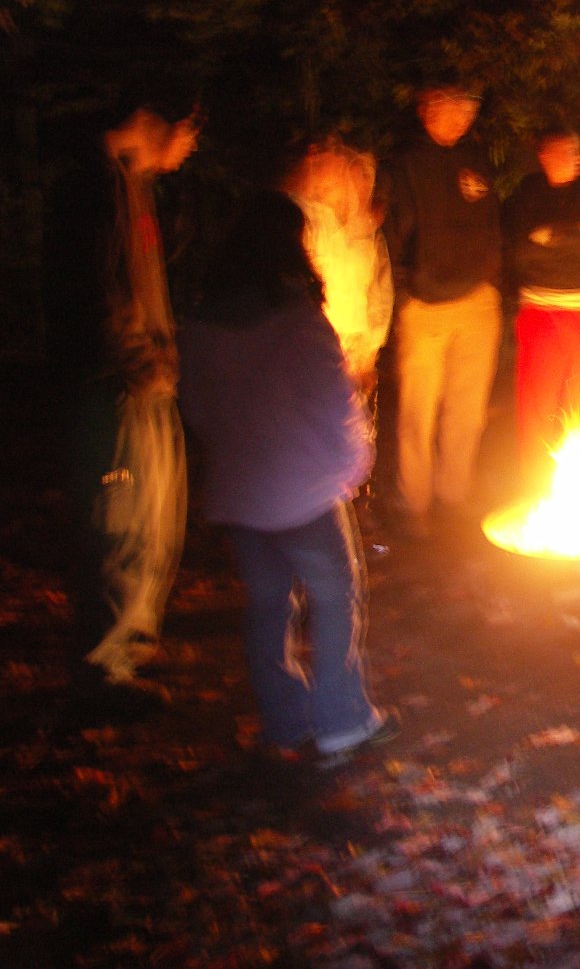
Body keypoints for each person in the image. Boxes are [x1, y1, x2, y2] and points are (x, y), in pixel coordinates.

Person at [178, 191, 396, 767]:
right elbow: (335, 403)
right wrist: (352, 466)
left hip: (240, 491)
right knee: (335, 598)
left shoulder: (200, 322)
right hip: (304, 490)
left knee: (267, 606)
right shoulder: (298, 319)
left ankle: (285, 721)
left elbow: (196, 406)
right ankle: (342, 721)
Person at [44, 96, 200, 694]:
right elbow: (100, 292)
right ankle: (104, 669)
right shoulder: (93, 188)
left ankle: (129, 645)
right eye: (189, 130)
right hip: (114, 386)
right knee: (121, 520)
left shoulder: (131, 185)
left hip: (141, 381)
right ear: (156, 120)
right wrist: (139, 360)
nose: (190, 147)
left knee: (150, 519)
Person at [382, 78, 503, 539]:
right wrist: (404, 291)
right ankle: (413, 502)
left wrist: (490, 275)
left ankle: (454, 494)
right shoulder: (405, 164)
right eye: (456, 107)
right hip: (426, 303)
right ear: (428, 108)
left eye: (470, 109)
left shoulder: (475, 159)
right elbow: (393, 233)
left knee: (467, 408)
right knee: (418, 410)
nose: (464, 118)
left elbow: (490, 220)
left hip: (477, 299)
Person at [505, 128, 580, 495]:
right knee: (537, 405)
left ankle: (578, 487)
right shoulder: (528, 194)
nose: (578, 158)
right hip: (542, 312)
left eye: (579, 151)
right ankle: (534, 487)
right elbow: (520, 251)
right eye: (568, 151)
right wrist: (572, 234)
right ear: (545, 156)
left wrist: (550, 236)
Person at [284, 135, 393, 403]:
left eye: (367, 178)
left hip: (354, 355)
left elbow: (379, 292)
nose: (360, 186)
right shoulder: (305, 225)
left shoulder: (364, 234)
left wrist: (368, 352)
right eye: (353, 175)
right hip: (318, 353)